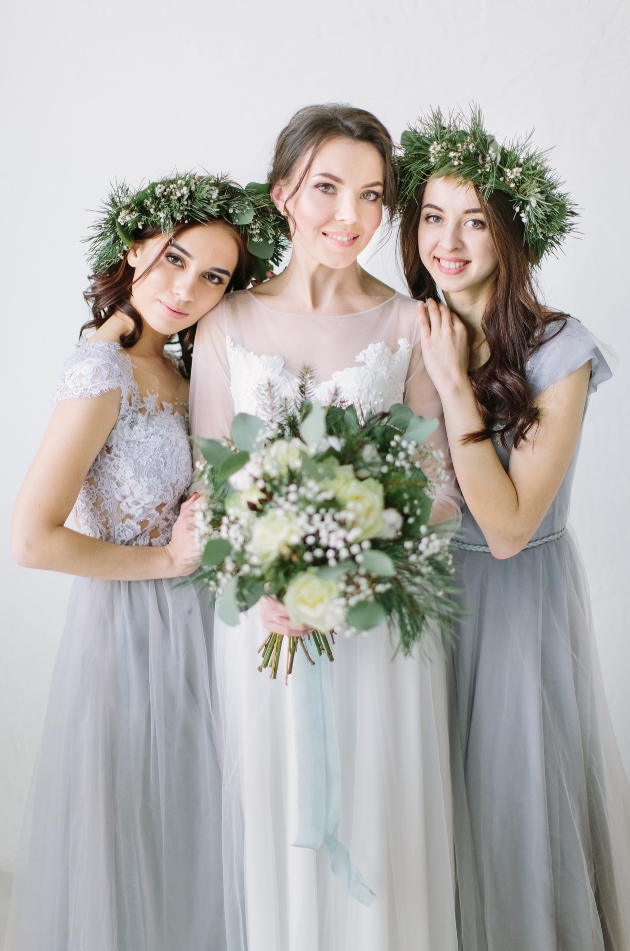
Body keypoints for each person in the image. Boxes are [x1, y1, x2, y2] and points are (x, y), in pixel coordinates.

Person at [190, 103, 461, 951]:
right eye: (328, 189)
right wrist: (265, 580)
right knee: (277, 823)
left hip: (383, 626)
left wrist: (363, 567)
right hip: (265, 624)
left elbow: (440, 486)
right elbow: (211, 486)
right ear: (283, 196)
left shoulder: (409, 320)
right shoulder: (225, 322)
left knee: (386, 818)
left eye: (374, 195)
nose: (353, 216)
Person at [6, 173, 287, 951]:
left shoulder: (182, 366)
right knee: (138, 833)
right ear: (134, 249)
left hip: (203, 625)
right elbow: (30, 538)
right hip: (130, 631)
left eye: (213, 277)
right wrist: (165, 561)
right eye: (173, 259)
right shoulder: (102, 370)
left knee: (197, 830)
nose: (186, 287)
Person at [397, 108, 630, 951]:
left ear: (510, 234)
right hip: (416, 600)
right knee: (421, 811)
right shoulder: (402, 326)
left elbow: (505, 528)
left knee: (510, 806)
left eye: (474, 221)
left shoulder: (558, 349)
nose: (447, 241)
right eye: (431, 215)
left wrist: (456, 386)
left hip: (513, 606)